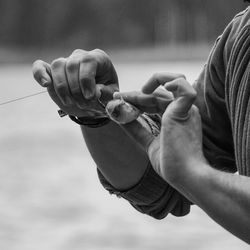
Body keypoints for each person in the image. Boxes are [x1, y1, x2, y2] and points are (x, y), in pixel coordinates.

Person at [32, 4, 250, 244]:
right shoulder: (240, 37)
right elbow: (165, 186)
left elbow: (193, 175)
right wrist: (96, 111)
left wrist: (194, 174)